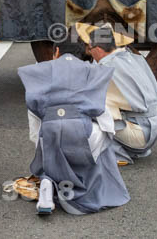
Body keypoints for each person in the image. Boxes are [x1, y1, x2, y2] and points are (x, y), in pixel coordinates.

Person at [18, 27, 129, 215]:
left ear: (57, 52)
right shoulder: (92, 71)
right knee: (101, 135)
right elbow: (103, 115)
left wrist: (44, 149)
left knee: (46, 142)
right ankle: (87, 186)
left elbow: (34, 120)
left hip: (51, 132)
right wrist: (106, 141)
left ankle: (47, 181)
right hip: (83, 133)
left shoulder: (41, 72)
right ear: (81, 54)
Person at [83, 26, 157, 165]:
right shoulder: (133, 58)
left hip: (140, 135)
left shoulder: (106, 68)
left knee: (88, 115)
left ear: (97, 49)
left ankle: (117, 154)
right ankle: (130, 148)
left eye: (90, 49)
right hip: (155, 127)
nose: (90, 54)